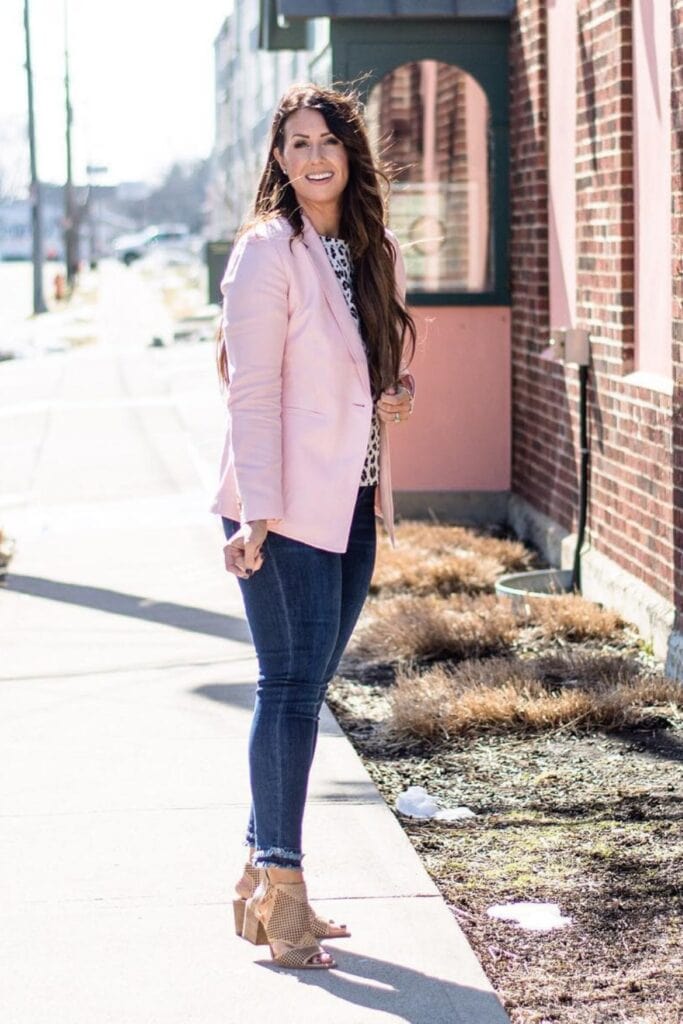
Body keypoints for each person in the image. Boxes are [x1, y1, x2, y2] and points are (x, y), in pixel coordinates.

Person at [212, 82, 416, 970]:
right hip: (283, 506)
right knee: (289, 689)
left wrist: (393, 392)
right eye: (294, 144)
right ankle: (284, 892)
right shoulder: (267, 252)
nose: (311, 157)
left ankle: (259, 876)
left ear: (349, 152)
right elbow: (251, 391)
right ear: (280, 160)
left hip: (353, 501)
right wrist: (257, 512)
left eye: (325, 141)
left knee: (305, 687)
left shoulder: (371, 250)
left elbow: (373, 364)